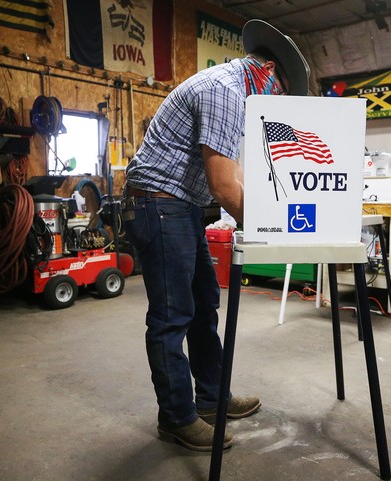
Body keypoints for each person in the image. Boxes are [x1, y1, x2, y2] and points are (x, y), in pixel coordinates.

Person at [122, 19, 310, 452]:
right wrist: (267, 231)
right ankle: (176, 418)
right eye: (279, 89)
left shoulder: (235, 94)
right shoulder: (225, 91)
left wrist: (267, 215)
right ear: (265, 72)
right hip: (159, 205)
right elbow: (224, 188)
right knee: (172, 317)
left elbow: (236, 173)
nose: (277, 99)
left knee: (204, 305)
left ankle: (211, 399)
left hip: (181, 206)